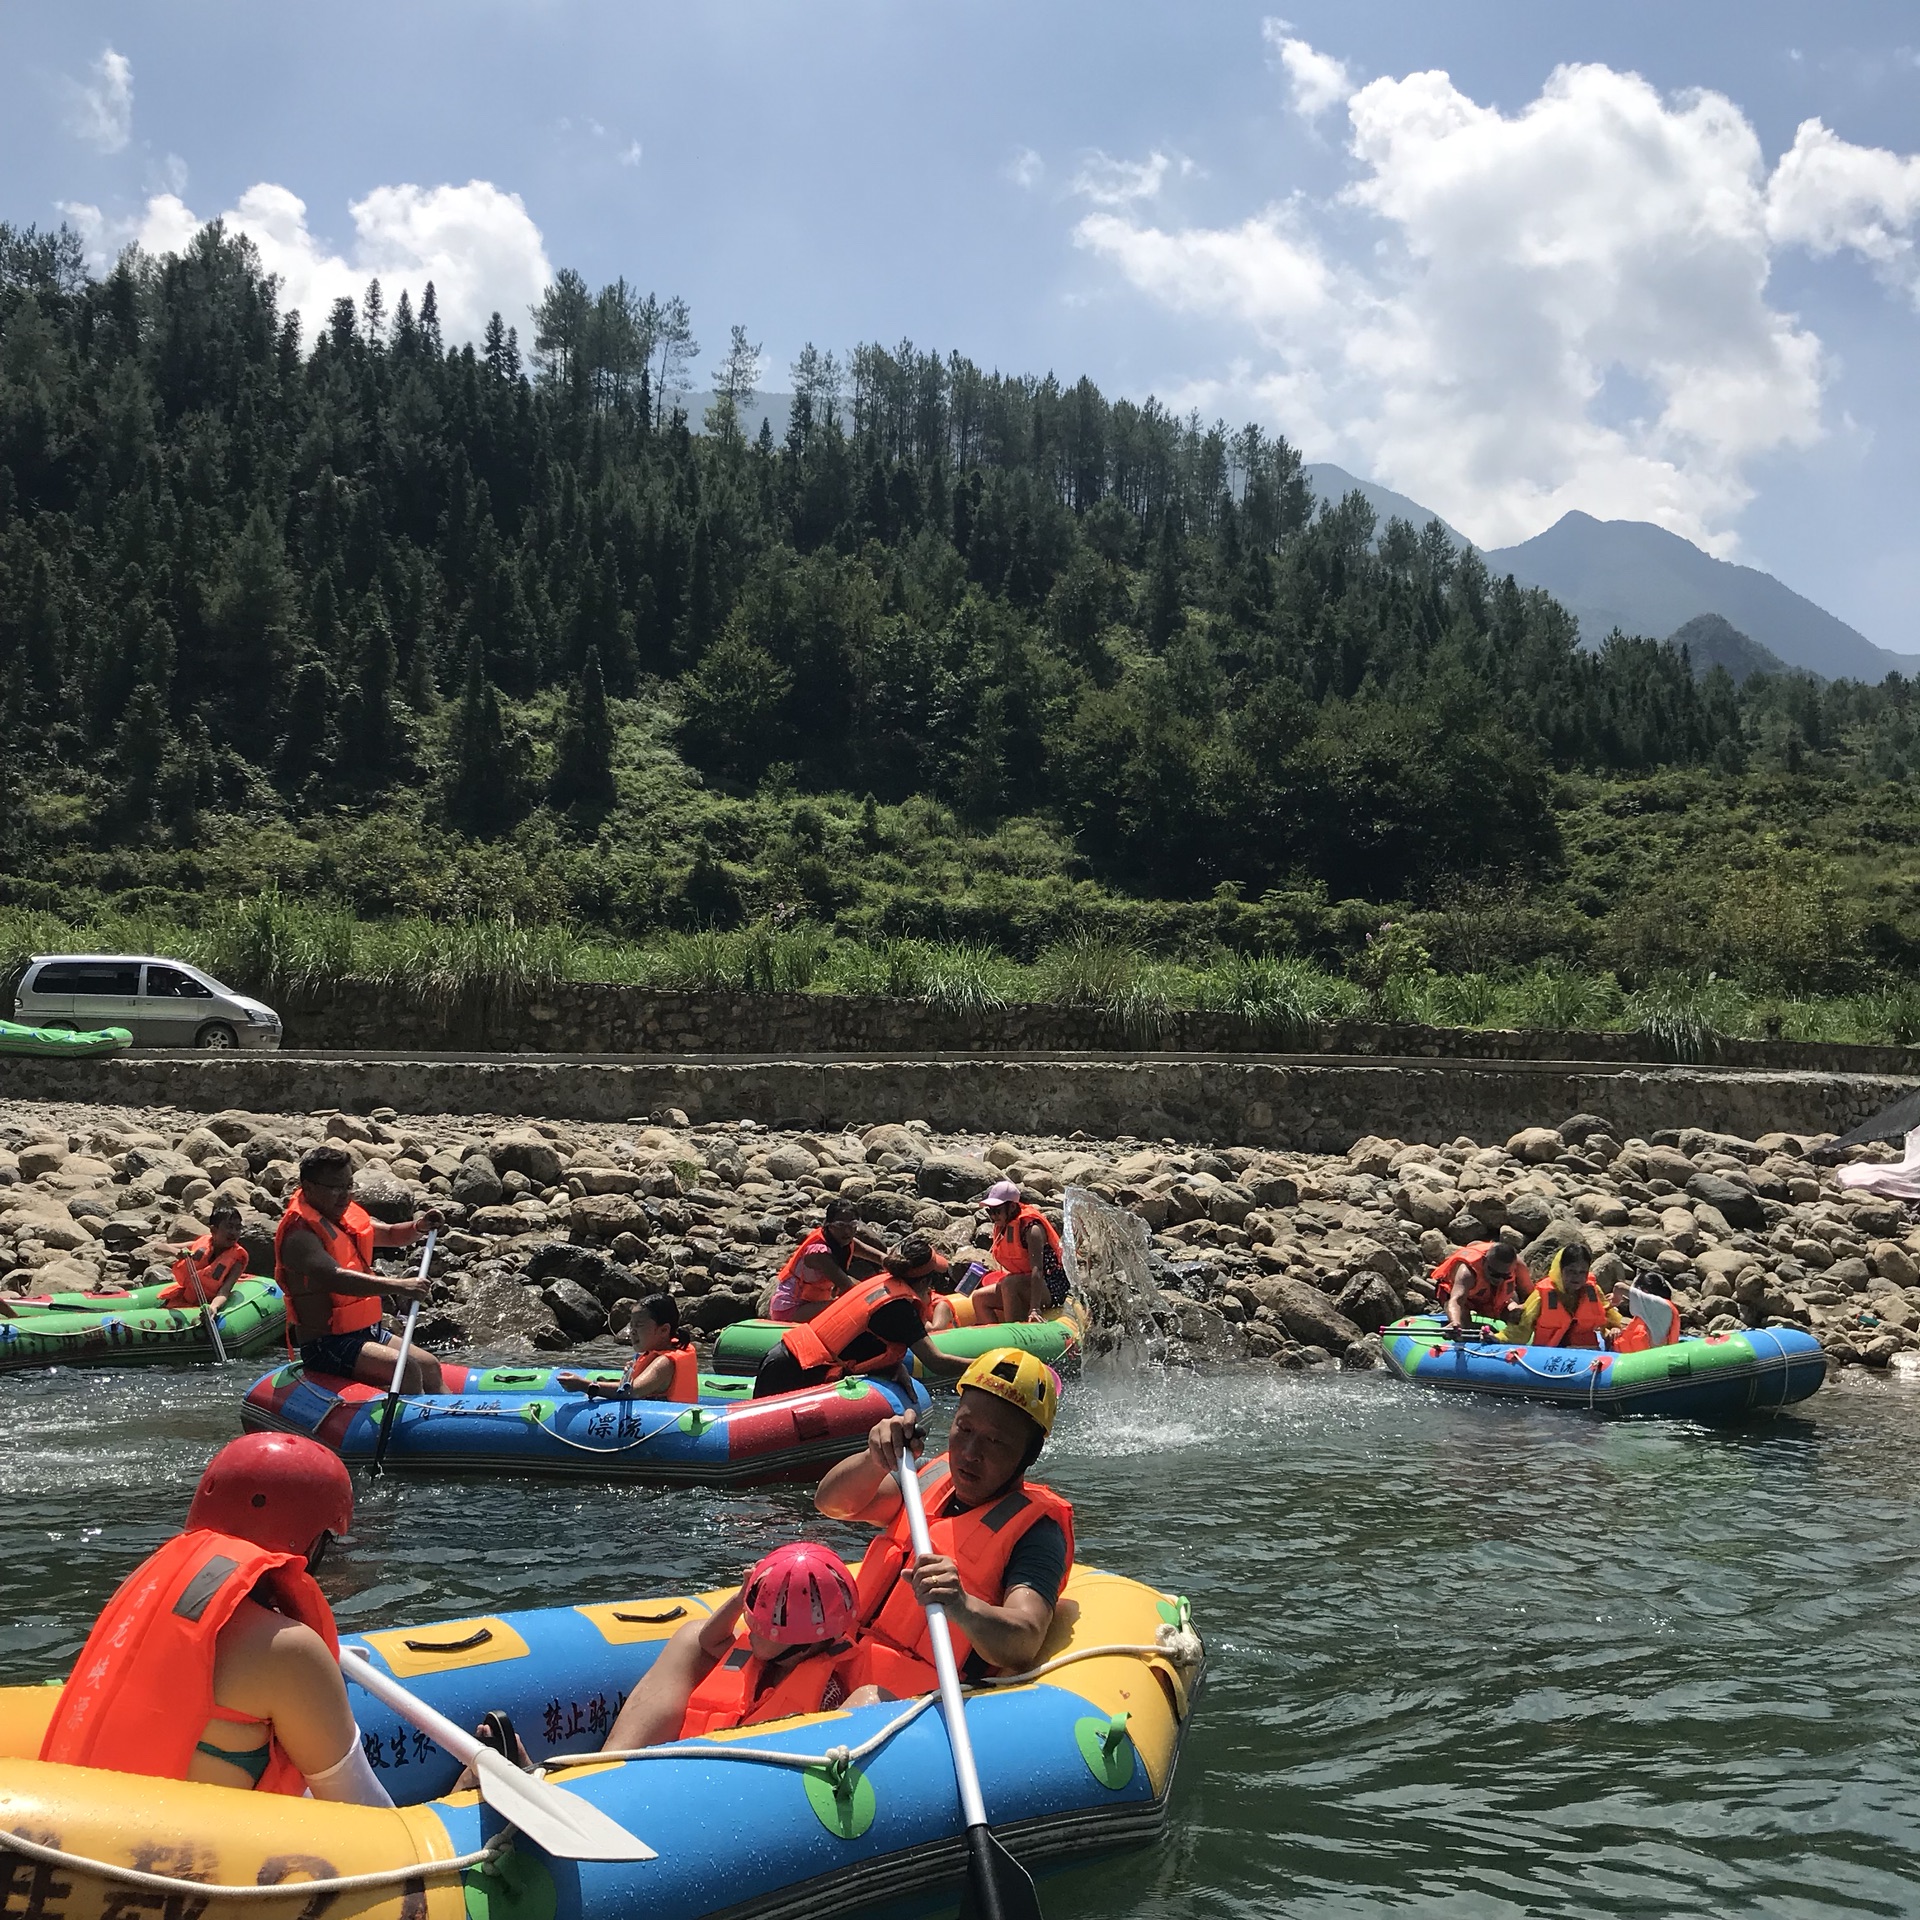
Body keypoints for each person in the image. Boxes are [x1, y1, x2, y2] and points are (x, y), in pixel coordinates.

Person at [39, 1432, 392, 1804]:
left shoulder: (144, 1590)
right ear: (310, 1540)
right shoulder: (289, 1650)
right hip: (176, 1859)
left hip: (69, 1834)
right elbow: (364, 1811)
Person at [815, 1347, 1073, 1694]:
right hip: (843, 1663)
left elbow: (1024, 1637)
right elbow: (831, 1503)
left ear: (1030, 1454)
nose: (969, 1453)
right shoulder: (928, 1474)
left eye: (994, 1441)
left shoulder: (1037, 1532)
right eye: (964, 1429)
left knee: (866, 1697)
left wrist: (963, 1605)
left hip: (917, 1701)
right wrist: (874, 1459)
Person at [597, 1544, 883, 1750]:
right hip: (692, 1760)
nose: (752, 1633)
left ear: (805, 1645)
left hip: (739, 1785)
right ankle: (609, 1764)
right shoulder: (757, 1654)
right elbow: (708, 1640)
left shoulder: (826, 1693)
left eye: (764, 1630)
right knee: (690, 1633)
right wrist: (740, 1599)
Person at [275, 1144, 445, 1391]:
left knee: (429, 1365)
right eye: (335, 1188)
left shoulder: (341, 1218)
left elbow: (388, 1234)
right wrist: (400, 1286)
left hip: (366, 1332)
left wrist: (418, 1227)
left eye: (348, 1186)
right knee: (405, 1367)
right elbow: (336, 1278)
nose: (345, 1195)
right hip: (327, 1344)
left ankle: (452, 1420)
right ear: (308, 1187)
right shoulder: (300, 1235)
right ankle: (413, 1427)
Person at [751, 1250, 970, 1398]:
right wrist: (987, 1364)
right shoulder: (901, 1309)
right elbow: (937, 1362)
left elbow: (868, 1337)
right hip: (795, 1373)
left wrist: (894, 1366)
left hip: (782, 1358)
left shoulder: (882, 1284)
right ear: (923, 1282)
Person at [557, 1294, 698, 1403]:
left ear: (663, 1330)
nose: (632, 1331)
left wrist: (585, 1386)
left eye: (639, 1325)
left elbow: (633, 1391)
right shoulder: (661, 1351)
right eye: (632, 1325)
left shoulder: (664, 1363)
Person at [766, 1199, 889, 1323]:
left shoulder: (845, 1241)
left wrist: (890, 1264)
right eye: (840, 1225)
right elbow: (847, 1287)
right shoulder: (820, 1253)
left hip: (814, 1302)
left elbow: (880, 1257)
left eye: (852, 1225)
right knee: (850, 1306)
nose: (847, 1231)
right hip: (791, 1308)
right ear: (829, 1225)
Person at [967, 1182, 1069, 1327]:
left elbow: (1037, 1270)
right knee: (979, 1298)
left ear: (1012, 1206)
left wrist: (1035, 1309)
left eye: (997, 1210)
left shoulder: (1032, 1230)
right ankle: (992, 1339)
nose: (993, 1216)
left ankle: (1014, 1333)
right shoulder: (1004, 1225)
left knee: (1009, 1284)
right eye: (990, 1211)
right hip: (1024, 1282)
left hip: (1050, 1287)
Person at [1506, 1243, 1622, 1350]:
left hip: (1585, 1350)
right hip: (1548, 1354)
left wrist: (1613, 1328)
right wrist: (1500, 1338)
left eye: (1582, 1272)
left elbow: (1608, 1316)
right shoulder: (1542, 1294)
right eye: (1571, 1271)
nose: (1577, 1277)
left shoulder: (1592, 1290)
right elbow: (1522, 1328)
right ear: (1560, 1269)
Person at [158, 1203, 250, 1316]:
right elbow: (158, 1247)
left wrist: (214, 1307)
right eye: (229, 1227)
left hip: (204, 1305)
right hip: (183, 1298)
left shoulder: (237, 1260)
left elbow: (225, 1290)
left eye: (238, 1228)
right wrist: (176, 1252)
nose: (234, 1232)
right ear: (213, 1230)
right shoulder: (201, 1244)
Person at [1431, 1238, 1529, 1332]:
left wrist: (1523, 1311)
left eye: (1505, 1276)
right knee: (1463, 1324)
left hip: (1491, 1298)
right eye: (1495, 1274)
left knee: (1516, 1314)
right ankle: (1461, 1325)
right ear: (1484, 1261)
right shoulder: (1467, 1272)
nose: (1499, 1279)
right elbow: (1457, 1300)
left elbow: (1531, 1295)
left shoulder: (1518, 1267)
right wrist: (1455, 1322)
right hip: (1460, 1296)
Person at [1610, 1273, 1680, 1351]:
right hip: (1629, 1354)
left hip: (1642, 1359)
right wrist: (1616, 1330)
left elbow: (1619, 1287)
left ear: (1644, 1291)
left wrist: (1615, 1300)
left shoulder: (1659, 1305)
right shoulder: (1650, 1312)